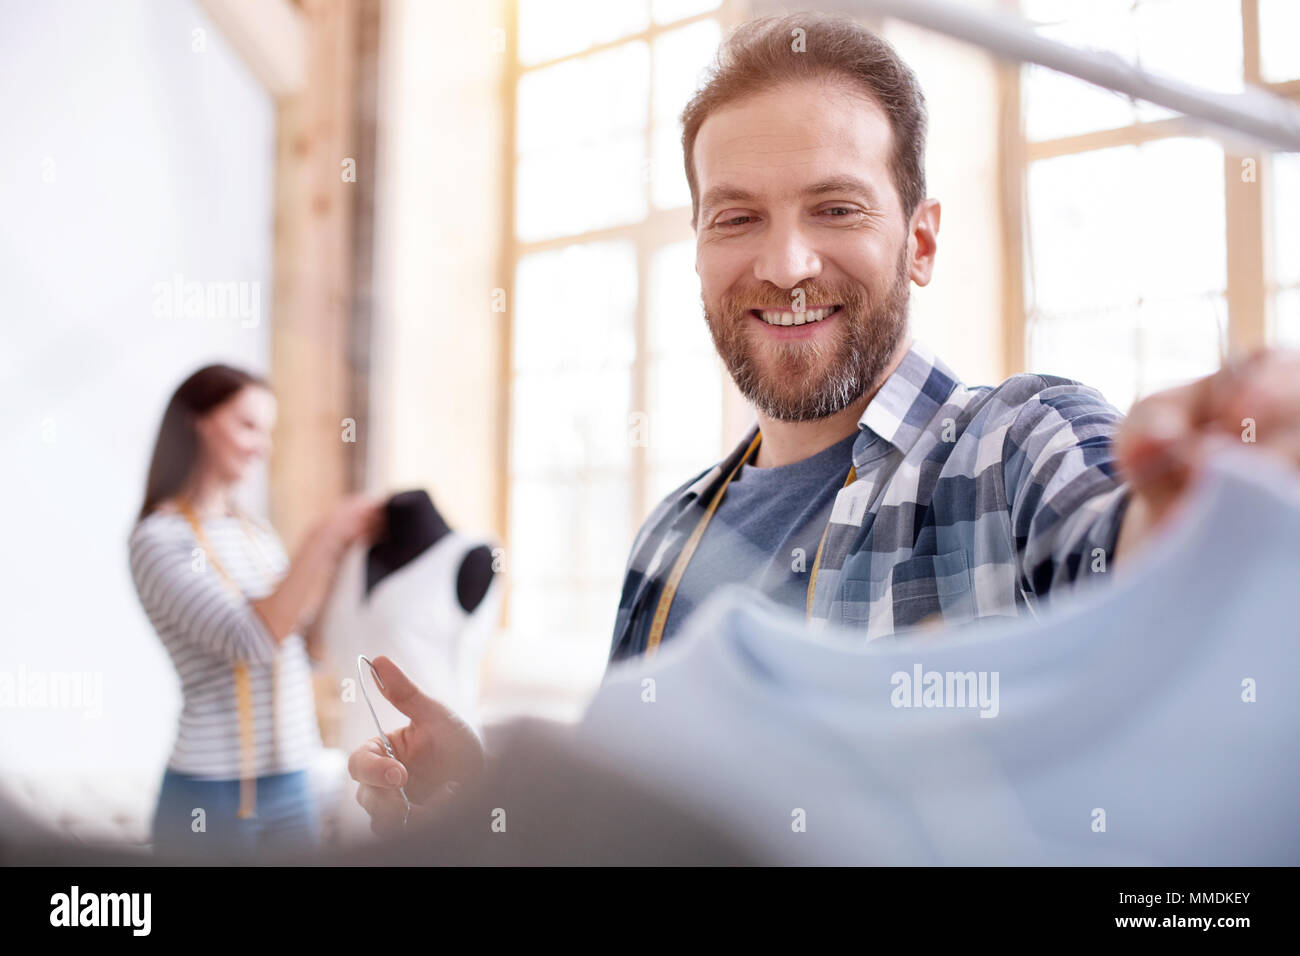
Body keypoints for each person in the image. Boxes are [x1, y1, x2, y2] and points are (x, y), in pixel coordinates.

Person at [348, 14, 1300, 832]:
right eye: (736, 219)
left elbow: (1121, 546)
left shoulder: (1019, 443)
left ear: (919, 241)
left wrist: (1210, 519)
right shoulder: (666, 542)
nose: (786, 263)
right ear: (698, 247)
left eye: (835, 207)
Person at [129, 364, 382, 856]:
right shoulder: (158, 539)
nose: (262, 447)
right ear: (197, 421)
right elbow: (251, 641)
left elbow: (305, 650)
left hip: (293, 778)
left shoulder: (255, 533)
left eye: (268, 432)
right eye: (248, 426)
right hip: (212, 790)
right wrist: (322, 535)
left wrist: (342, 560)